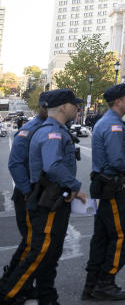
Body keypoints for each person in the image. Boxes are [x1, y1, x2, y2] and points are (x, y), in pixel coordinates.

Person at [0, 89, 86, 305]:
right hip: (41, 197)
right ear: (62, 107)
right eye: (74, 105)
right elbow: (24, 164)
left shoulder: (54, 129)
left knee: (48, 251)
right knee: (38, 250)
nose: (78, 108)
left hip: (51, 196)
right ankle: (9, 293)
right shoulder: (44, 131)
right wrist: (29, 191)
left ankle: (46, 296)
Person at [83, 83, 125, 301]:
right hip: (112, 188)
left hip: (103, 184)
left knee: (102, 236)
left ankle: (92, 284)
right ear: (118, 101)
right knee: (122, 234)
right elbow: (117, 160)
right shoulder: (114, 125)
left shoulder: (107, 122)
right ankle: (105, 282)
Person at [2, 91, 50, 300]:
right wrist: (27, 191)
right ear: (45, 108)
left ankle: (14, 282)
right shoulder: (30, 130)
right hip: (28, 195)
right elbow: (15, 163)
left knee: (30, 243)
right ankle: (13, 288)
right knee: (33, 245)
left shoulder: (47, 127)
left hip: (38, 194)